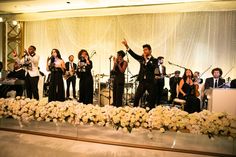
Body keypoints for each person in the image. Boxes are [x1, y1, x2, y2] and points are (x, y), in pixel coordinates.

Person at [122, 39, 156, 109]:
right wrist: (126, 46)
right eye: (143, 50)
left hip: (150, 82)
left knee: (152, 98)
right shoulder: (141, 58)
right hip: (142, 81)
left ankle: (152, 112)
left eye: (146, 50)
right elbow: (134, 55)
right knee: (137, 97)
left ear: (150, 50)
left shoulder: (154, 60)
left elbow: (152, 67)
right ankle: (135, 111)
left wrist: (146, 60)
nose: (144, 51)